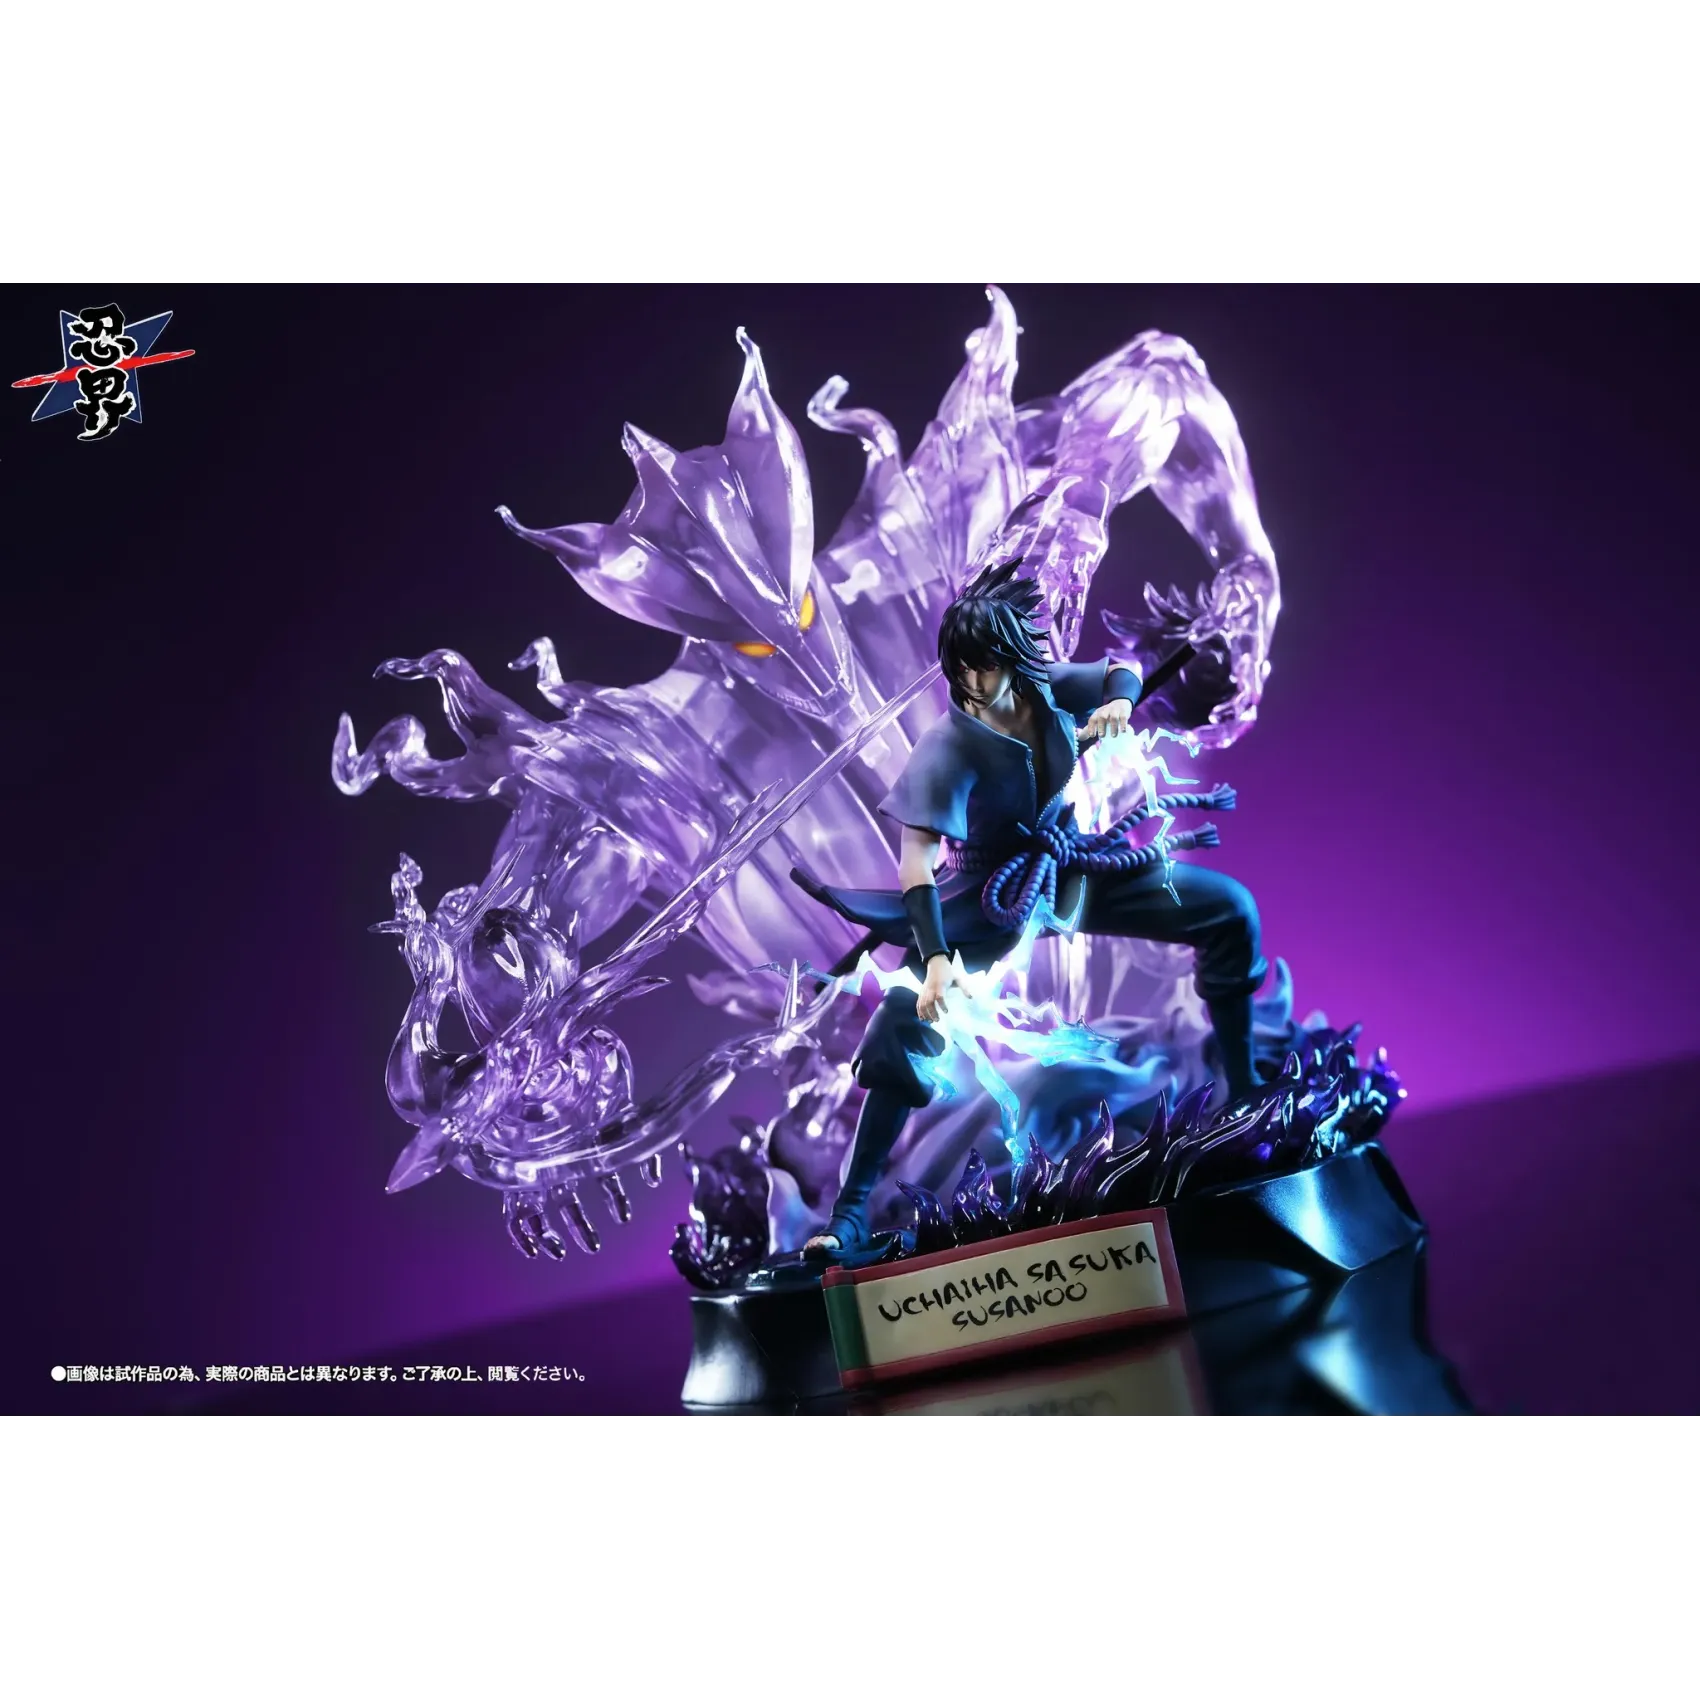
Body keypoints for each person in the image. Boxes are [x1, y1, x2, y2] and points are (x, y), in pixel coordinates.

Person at [791, 559, 1268, 1256]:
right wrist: (934, 961)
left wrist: (1118, 702)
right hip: (984, 895)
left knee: (1227, 910)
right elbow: (917, 861)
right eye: (960, 667)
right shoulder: (947, 746)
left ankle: (1246, 1090)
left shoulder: (1040, 689)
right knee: (902, 1021)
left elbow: (1119, 671)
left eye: (984, 665)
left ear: (1012, 659)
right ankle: (852, 1212)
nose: (971, 682)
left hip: (1067, 868)